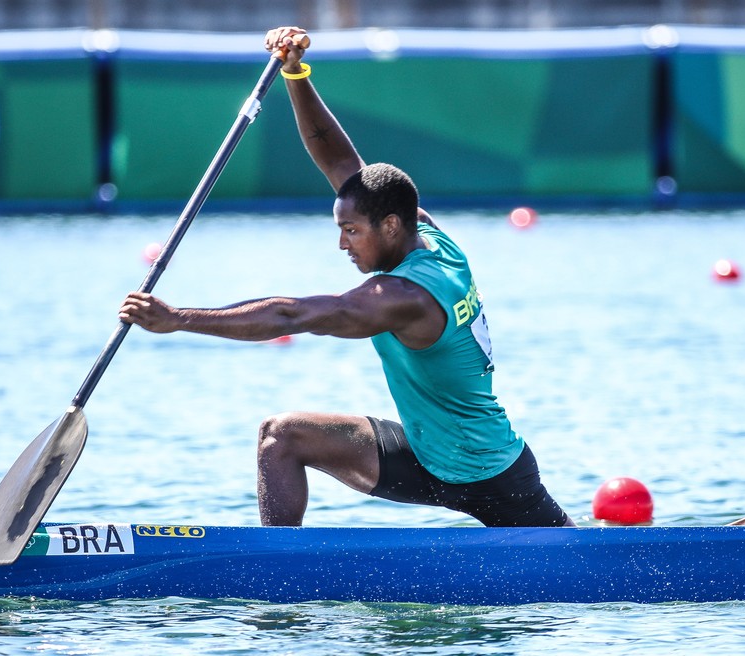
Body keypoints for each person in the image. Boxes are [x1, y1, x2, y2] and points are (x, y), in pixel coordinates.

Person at [119, 26, 576, 528]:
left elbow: (294, 314)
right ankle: (280, 575)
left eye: (352, 231)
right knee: (282, 435)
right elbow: (342, 163)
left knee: (582, 567)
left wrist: (179, 319)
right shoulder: (431, 237)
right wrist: (295, 72)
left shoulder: (404, 296)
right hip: (427, 455)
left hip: (492, 477)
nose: (343, 244)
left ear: (391, 225)